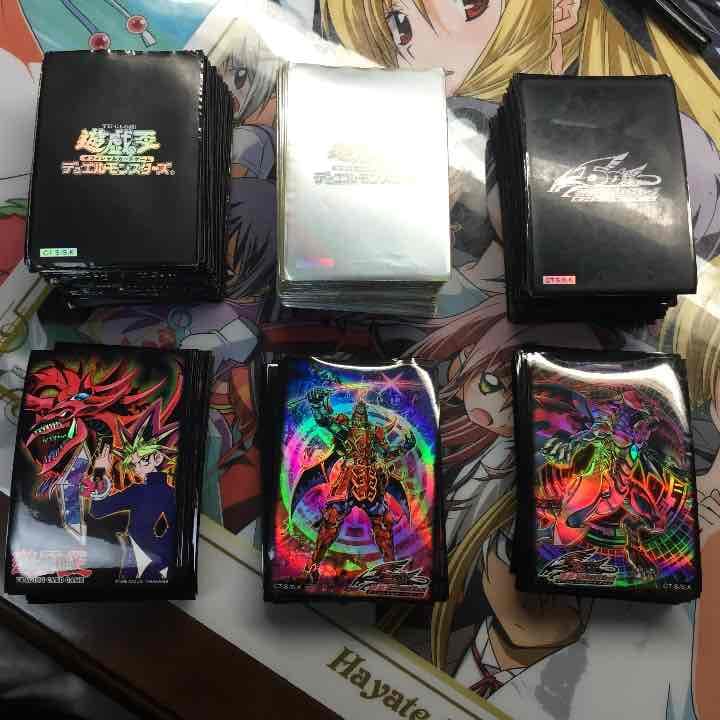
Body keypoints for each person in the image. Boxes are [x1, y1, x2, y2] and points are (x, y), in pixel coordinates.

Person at [83, 404, 178, 581]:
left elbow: (98, 510)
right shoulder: (140, 490)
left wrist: (100, 473)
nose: (137, 468)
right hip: (139, 565)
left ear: (158, 458)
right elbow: (98, 510)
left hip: (150, 566)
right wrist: (100, 473)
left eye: (142, 460)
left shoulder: (157, 492)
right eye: (134, 464)